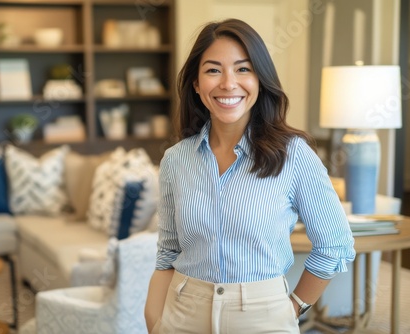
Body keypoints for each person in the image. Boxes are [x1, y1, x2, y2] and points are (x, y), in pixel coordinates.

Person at [144, 18, 355, 333]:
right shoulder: (175, 160)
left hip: (263, 316)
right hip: (182, 315)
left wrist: (293, 307)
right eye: (213, 70)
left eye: (243, 69)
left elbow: (335, 246)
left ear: (260, 79)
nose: (228, 83)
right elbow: (168, 254)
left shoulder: (293, 155)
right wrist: (155, 322)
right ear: (196, 84)